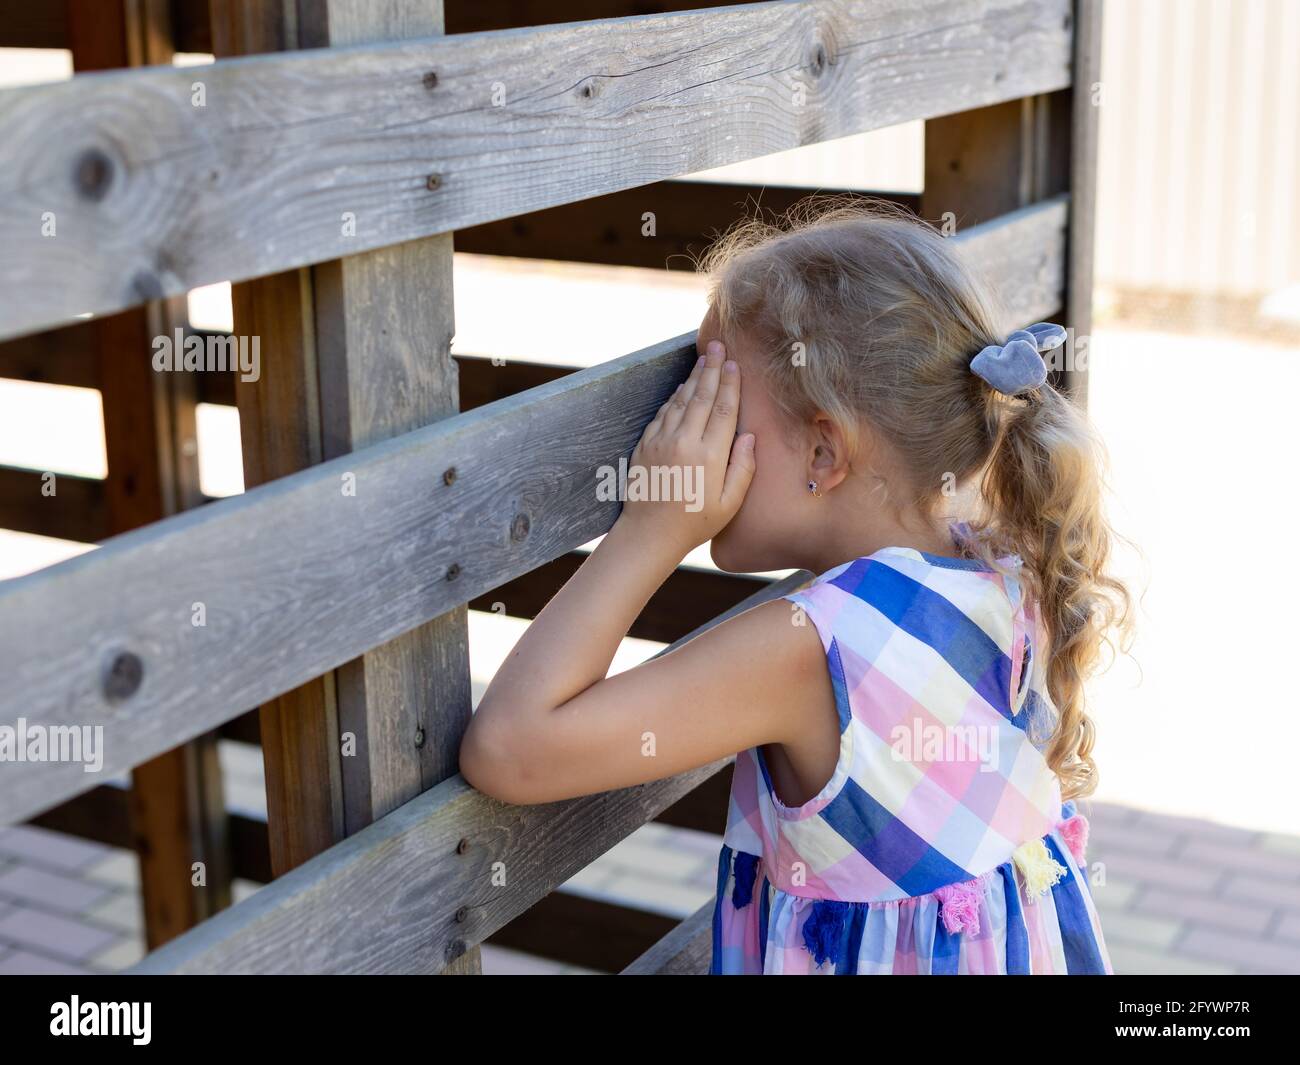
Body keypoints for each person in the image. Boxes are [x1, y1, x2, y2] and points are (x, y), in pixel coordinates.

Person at [459, 198, 1136, 974]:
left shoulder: (813, 648)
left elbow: (509, 749)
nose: (688, 435)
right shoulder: (1007, 561)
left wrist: (650, 527)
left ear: (823, 453)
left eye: (715, 405)